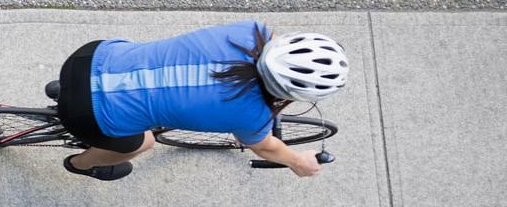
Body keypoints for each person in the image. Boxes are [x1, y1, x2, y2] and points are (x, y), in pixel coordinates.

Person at [54, 20, 349, 180]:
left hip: (91, 57)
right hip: (85, 113)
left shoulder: (252, 30)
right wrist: (299, 162)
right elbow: (265, 146)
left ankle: (67, 89)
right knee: (144, 142)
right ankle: (80, 164)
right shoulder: (251, 116)